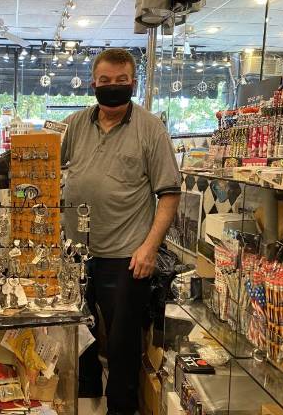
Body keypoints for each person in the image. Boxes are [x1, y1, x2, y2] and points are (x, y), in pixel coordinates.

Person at [61, 48, 181, 415]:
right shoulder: (77, 124)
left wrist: (149, 247)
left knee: (123, 345)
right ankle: (84, 397)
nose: (112, 87)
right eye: (105, 81)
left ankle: (121, 409)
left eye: (121, 81)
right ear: (94, 82)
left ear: (133, 82)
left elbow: (170, 193)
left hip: (128, 256)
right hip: (75, 253)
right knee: (77, 332)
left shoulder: (150, 128)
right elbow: (53, 170)